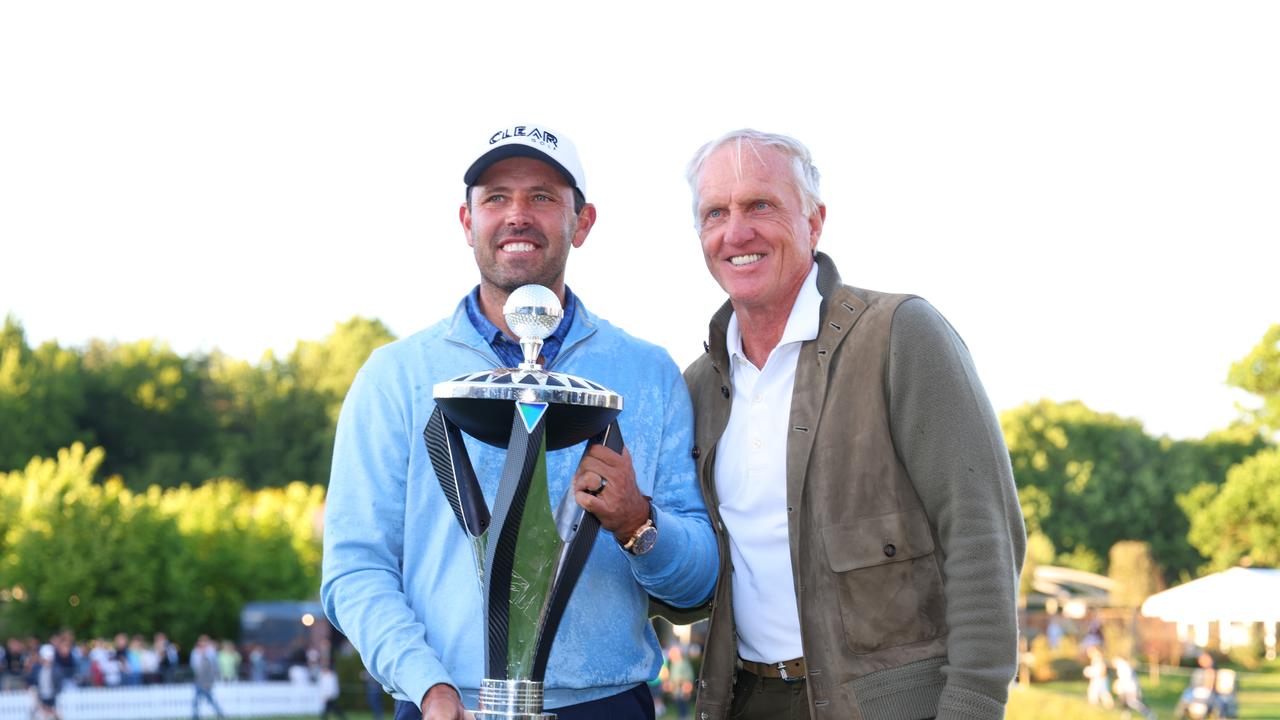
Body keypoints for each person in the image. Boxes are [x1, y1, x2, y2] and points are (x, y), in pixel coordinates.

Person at [321, 123, 717, 720]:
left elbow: (698, 583)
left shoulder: (649, 374)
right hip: (443, 707)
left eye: (543, 197)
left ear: (581, 222)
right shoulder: (394, 377)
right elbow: (354, 567)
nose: (517, 215)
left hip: (605, 707)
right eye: (496, 198)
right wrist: (427, 684)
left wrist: (639, 522)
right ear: (466, 221)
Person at [682, 129, 1026, 720]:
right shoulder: (697, 386)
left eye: (760, 205)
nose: (736, 232)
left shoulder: (900, 334)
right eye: (716, 213)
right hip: (747, 701)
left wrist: (973, 705)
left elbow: (982, 534)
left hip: (886, 706)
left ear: (814, 222)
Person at [191, 635, 226, 720]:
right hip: (199, 679)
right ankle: (196, 716)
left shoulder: (211, 652)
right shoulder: (195, 652)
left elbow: (215, 664)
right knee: (197, 699)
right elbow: (194, 665)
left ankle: (219, 713)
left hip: (208, 679)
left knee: (208, 698)